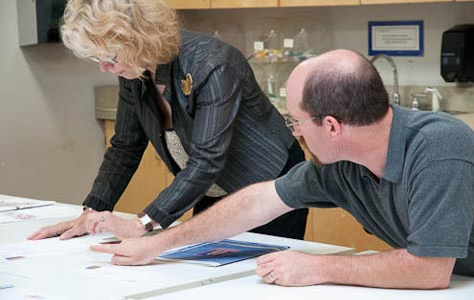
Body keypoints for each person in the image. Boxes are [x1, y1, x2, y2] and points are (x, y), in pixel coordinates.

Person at [91, 49, 474, 289]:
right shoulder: (339, 164)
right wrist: (158, 242)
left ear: (331, 126)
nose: (294, 132)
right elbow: (260, 201)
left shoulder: (438, 147)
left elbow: (428, 270)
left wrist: (320, 268)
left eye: (295, 121)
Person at [28, 0, 308, 241]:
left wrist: (144, 223)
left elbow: (207, 159)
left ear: (141, 37)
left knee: (259, 275)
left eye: (111, 57)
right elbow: (125, 146)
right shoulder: (133, 71)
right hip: (211, 188)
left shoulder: (212, 63)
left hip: (267, 182)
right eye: (97, 58)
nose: (105, 68)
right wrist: (92, 211)